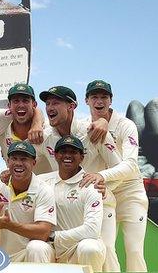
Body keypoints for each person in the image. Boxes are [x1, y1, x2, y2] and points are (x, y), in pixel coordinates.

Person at [37, 85, 120, 271]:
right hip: (65, 203)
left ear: (71, 106)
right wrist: (7, 173)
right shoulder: (46, 136)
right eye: (47, 103)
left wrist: (103, 180)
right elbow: (21, 158)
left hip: (99, 199)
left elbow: (121, 167)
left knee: (105, 250)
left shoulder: (93, 129)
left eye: (55, 102)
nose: (50, 107)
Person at [79, 80, 149, 272]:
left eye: (104, 97)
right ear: (86, 100)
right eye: (94, 97)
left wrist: (100, 175)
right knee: (106, 247)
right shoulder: (82, 126)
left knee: (134, 250)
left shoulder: (126, 125)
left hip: (129, 191)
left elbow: (131, 166)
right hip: (103, 192)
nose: (99, 101)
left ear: (111, 100)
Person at [0, 141, 56, 262]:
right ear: (8, 162)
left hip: (29, 255)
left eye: (24, 159)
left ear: (34, 163)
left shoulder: (44, 190)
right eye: (14, 158)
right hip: (3, 255)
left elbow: (43, 233)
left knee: (37, 247)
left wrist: (10, 226)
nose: (18, 163)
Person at [39, 135, 106, 272]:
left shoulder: (92, 184)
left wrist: (54, 237)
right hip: (52, 248)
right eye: (63, 151)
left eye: (73, 152)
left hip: (77, 247)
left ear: (82, 157)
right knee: (35, 247)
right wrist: (3, 176)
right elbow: (18, 179)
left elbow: (92, 230)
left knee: (89, 247)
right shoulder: (41, 181)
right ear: (55, 155)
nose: (67, 155)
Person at [0, 83, 47, 174]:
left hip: (46, 186)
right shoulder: (2, 127)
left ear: (34, 104)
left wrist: (37, 123)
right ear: (9, 105)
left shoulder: (46, 130)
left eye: (25, 101)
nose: (21, 105)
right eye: (16, 101)